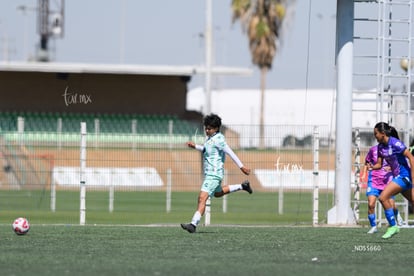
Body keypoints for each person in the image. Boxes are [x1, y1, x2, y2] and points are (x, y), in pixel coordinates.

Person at [180, 113, 252, 233]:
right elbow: (206, 149)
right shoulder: (210, 139)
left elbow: (230, 152)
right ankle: (242, 186)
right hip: (211, 174)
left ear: (216, 128)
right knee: (218, 193)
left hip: (214, 174)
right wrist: (195, 146)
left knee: (202, 197)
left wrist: (242, 167)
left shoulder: (219, 140)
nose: (207, 130)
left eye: (209, 128)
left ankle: (193, 224)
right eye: (206, 128)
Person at [370, 122, 414, 239]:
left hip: (404, 177)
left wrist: (413, 177)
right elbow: (379, 164)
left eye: (376, 134)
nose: (375, 136)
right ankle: (394, 226)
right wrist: (371, 167)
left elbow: (411, 157)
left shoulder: (395, 143)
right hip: (398, 177)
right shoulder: (380, 147)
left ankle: (393, 226)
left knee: (383, 197)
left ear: (383, 133)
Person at [362, 144, 404, 234]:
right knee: (371, 204)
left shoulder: (391, 150)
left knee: (391, 205)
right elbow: (367, 162)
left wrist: (391, 168)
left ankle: (396, 214)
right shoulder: (372, 149)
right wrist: (364, 174)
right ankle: (373, 226)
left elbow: (398, 164)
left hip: (387, 182)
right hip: (373, 181)